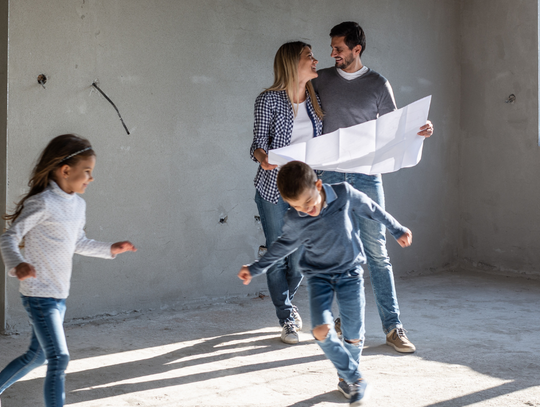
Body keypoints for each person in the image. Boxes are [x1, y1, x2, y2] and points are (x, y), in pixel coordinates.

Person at [238, 161, 412, 406]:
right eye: (297, 206)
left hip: (350, 274)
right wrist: (254, 269)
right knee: (320, 330)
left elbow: (372, 209)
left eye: (309, 202)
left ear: (318, 185)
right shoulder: (295, 217)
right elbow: (280, 248)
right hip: (319, 278)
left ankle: (346, 379)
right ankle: (356, 379)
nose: (306, 210)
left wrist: (397, 229)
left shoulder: (343, 193)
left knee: (353, 335)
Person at [312, 21, 434, 354]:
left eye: (338, 48)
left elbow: (396, 128)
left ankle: (393, 327)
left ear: (356, 49)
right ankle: (341, 319)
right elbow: (296, 108)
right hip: (329, 176)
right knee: (336, 253)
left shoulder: (377, 84)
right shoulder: (320, 79)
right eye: (332, 48)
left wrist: (419, 130)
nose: (333, 54)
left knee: (377, 252)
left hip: (367, 175)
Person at [0, 134, 137, 407]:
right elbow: (9, 237)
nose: (91, 178)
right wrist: (17, 264)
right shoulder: (43, 202)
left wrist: (111, 248)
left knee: (36, 356)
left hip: (59, 294)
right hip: (39, 295)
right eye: (87, 171)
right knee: (59, 358)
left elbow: (78, 242)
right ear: (65, 170)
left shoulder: (78, 204)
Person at [250, 41, 323, 344]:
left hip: (306, 190)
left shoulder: (317, 100)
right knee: (279, 253)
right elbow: (257, 142)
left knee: (299, 257)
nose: (315, 59)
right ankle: (287, 316)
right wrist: (262, 157)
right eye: (309, 56)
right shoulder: (268, 99)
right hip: (274, 188)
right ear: (293, 63)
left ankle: (285, 299)